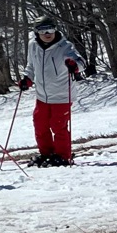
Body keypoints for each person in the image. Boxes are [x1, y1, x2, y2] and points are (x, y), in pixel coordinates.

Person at [20, 15, 84, 166]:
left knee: (58, 125)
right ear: (36, 32)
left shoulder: (64, 46)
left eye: (50, 29)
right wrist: (27, 78)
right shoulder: (33, 45)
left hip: (62, 95)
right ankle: (46, 154)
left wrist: (74, 65)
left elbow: (81, 62)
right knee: (40, 124)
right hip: (42, 95)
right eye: (43, 30)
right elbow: (30, 66)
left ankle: (63, 156)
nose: (47, 33)